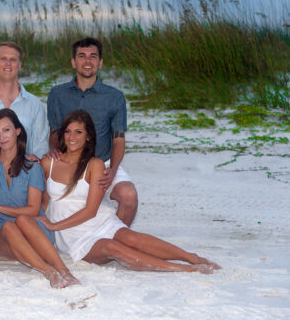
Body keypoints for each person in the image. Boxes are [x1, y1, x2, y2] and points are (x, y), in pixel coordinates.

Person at [39, 111, 220, 273]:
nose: (72, 137)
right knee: (112, 247)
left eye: (78, 132)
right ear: (62, 135)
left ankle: (191, 258)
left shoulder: (95, 164)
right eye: (68, 131)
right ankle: (183, 268)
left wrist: (54, 226)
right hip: (72, 236)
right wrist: (46, 225)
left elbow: (91, 211)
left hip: (96, 221)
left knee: (131, 237)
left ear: (87, 137)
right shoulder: (49, 163)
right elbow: (44, 200)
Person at [0, 109, 80, 288]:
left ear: (18, 131)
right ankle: (49, 273)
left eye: (6, 130)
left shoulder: (32, 166)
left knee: (23, 219)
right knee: (9, 226)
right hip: (0, 239)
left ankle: (64, 271)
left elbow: (33, 209)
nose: (2, 136)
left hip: (34, 232)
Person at [47, 37, 138, 226]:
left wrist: (112, 169)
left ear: (100, 62)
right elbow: (55, 132)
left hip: (103, 164)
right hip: (70, 164)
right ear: (73, 62)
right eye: (82, 56)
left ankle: (115, 239)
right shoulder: (57, 94)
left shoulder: (114, 96)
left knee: (129, 196)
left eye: (93, 56)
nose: (87, 61)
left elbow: (118, 139)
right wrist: (54, 150)